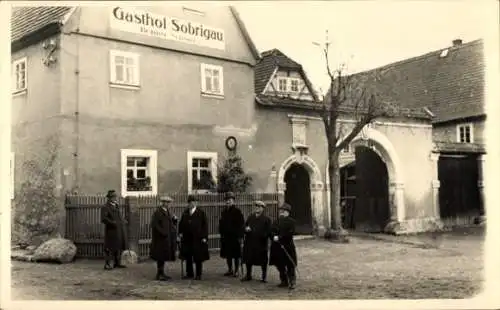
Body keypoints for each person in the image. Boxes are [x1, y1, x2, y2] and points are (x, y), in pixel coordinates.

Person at [178, 194, 210, 280]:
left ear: (196, 203)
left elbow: (205, 226)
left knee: (198, 256)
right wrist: (180, 233)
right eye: (189, 202)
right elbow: (181, 224)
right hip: (187, 238)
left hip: (198, 238)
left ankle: (198, 274)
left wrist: (204, 237)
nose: (191, 204)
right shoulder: (185, 213)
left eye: (193, 202)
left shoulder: (201, 213)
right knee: (188, 256)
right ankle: (189, 273)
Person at [241, 200, 272, 283]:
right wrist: (245, 229)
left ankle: (264, 276)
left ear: (263, 208)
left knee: (263, 260)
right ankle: (248, 275)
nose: (257, 208)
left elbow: (268, 232)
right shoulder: (250, 217)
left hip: (261, 243)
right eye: (256, 206)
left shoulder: (266, 219)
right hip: (250, 242)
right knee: (249, 258)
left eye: (259, 207)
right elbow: (245, 225)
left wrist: (256, 232)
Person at [269, 203, 298, 289]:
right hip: (277, 247)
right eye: (281, 211)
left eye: (283, 211)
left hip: (287, 246)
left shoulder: (292, 222)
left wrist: (280, 237)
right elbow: (271, 231)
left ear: (288, 212)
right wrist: (273, 236)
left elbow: (290, 233)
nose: (281, 212)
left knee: (290, 265)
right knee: (279, 264)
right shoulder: (276, 221)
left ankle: (292, 281)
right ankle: (284, 280)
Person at [150, 195, 178, 281]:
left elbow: (170, 224)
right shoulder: (158, 212)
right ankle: (159, 274)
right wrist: (163, 232)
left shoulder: (168, 212)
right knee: (160, 256)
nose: (169, 204)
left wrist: (174, 220)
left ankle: (162, 273)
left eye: (169, 202)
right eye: (167, 202)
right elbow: (154, 225)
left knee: (164, 256)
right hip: (160, 238)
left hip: (167, 238)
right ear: (164, 203)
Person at [218, 191, 245, 277]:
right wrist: (221, 232)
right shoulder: (224, 212)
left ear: (233, 201)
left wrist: (240, 236)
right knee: (228, 254)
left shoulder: (237, 211)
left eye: (230, 200)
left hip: (235, 237)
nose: (228, 201)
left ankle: (236, 270)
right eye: (226, 200)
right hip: (226, 237)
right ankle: (230, 269)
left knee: (236, 254)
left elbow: (241, 224)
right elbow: (221, 223)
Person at [100, 190, 127, 270]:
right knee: (109, 247)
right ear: (109, 198)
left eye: (115, 196)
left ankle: (117, 262)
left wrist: (123, 221)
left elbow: (118, 216)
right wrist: (113, 223)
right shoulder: (105, 207)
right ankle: (107, 264)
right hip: (110, 230)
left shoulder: (116, 205)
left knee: (118, 246)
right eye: (113, 197)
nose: (115, 198)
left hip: (118, 230)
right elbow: (103, 219)